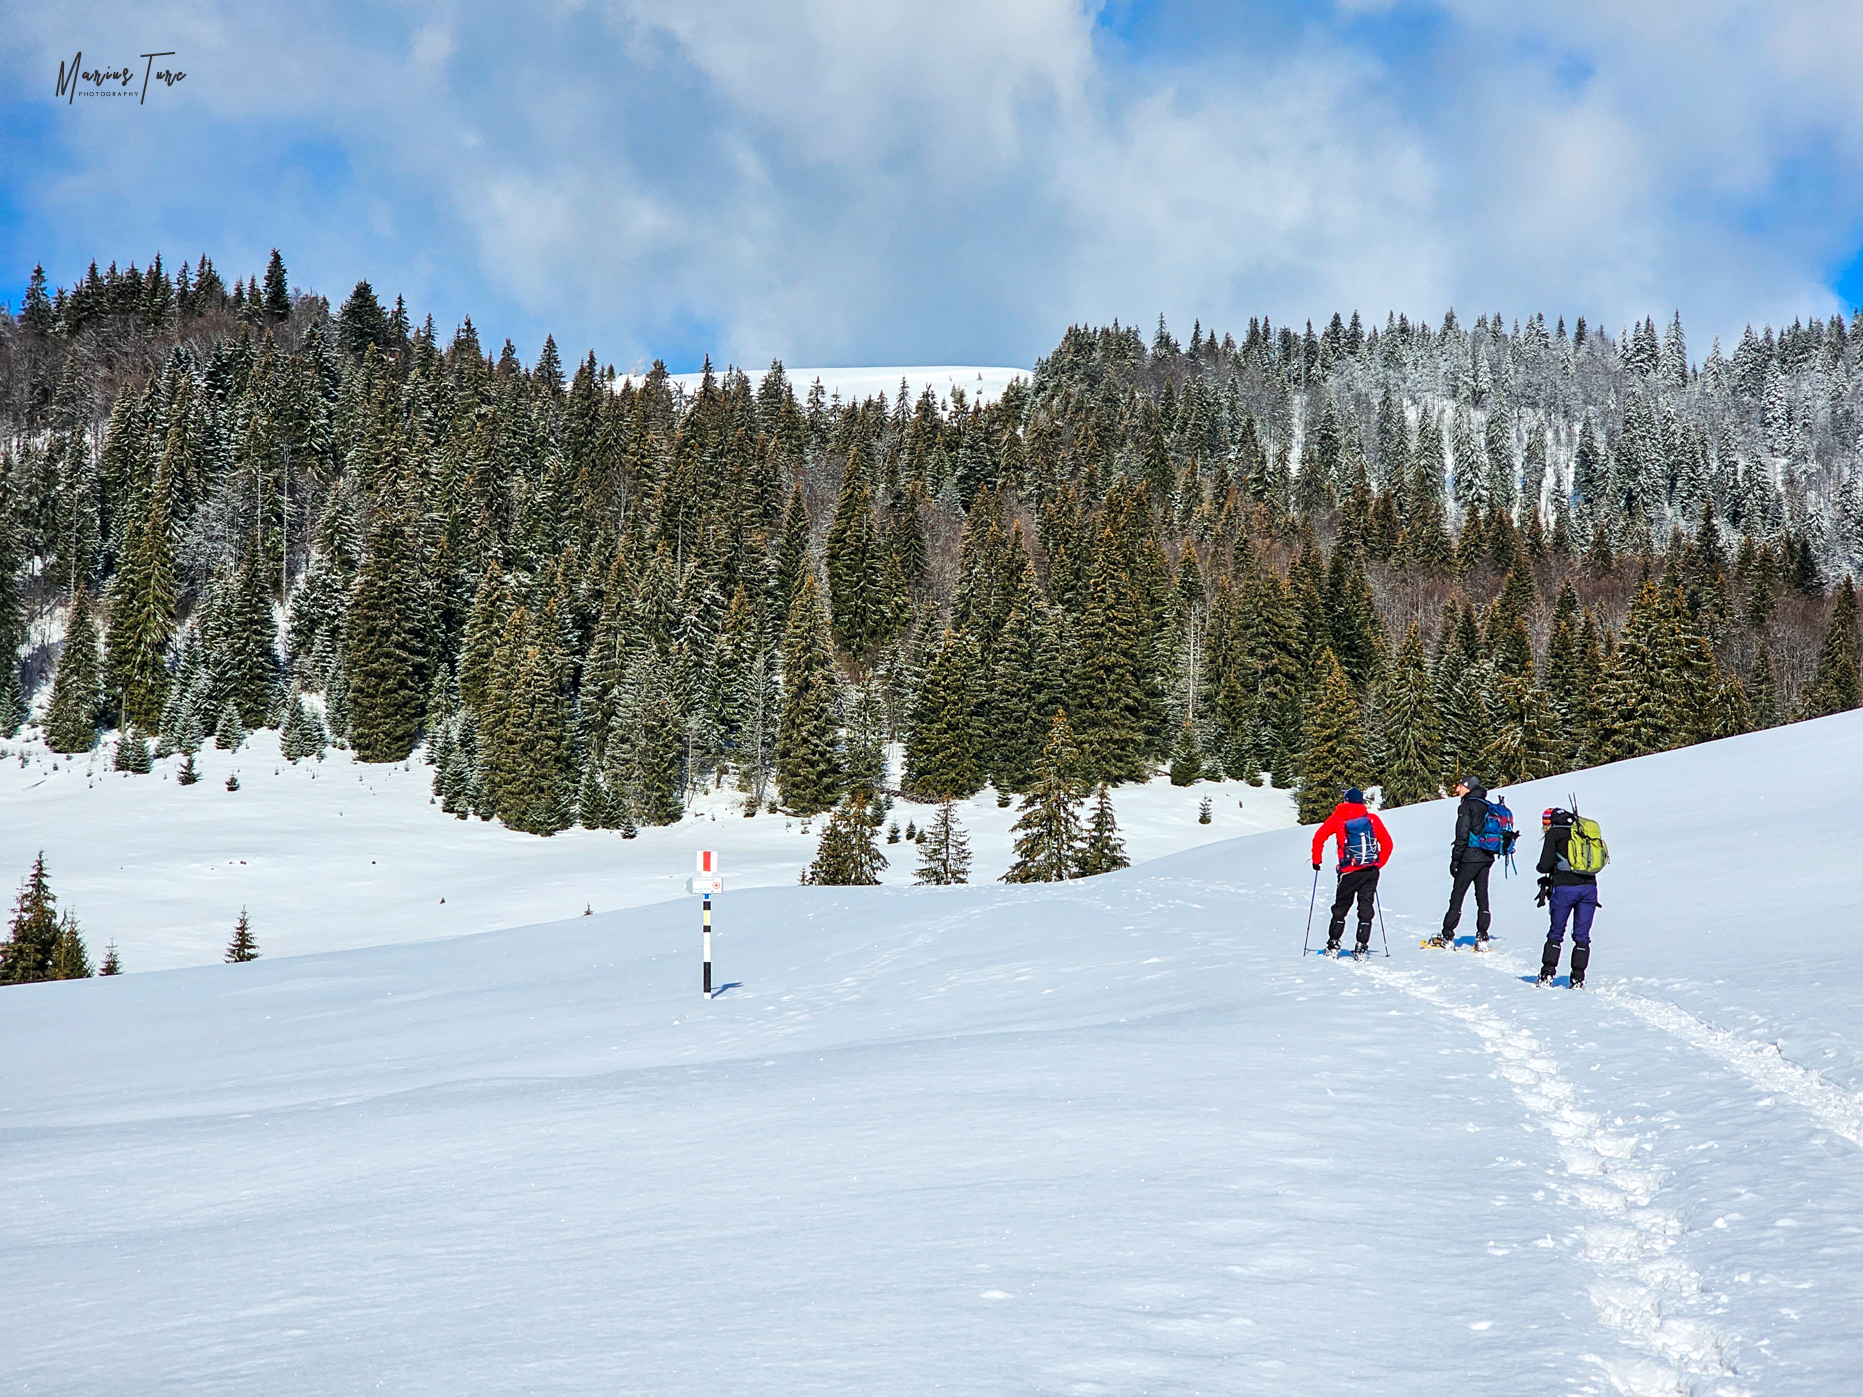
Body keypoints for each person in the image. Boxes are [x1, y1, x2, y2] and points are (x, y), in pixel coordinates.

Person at [1309, 786, 1394, 958]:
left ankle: (1333, 945)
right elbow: (1388, 844)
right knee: (1365, 907)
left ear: (1346, 800)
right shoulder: (1372, 819)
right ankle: (1362, 946)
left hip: (1348, 871)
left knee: (1340, 908)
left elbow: (1319, 837)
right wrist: (1378, 864)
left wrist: (1317, 860)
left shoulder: (1337, 818)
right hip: (1370, 871)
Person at [1430, 775, 1496, 948]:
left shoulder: (1467, 806)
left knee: (1457, 895)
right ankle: (1482, 935)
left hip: (1469, 857)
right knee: (1482, 896)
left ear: (1468, 787)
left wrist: (1455, 859)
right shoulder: (1486, 805)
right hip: (1486, 857)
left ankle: (1447, 935)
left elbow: (1462, 835)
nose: (1457, 790)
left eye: (1459, 786)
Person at [1536, 807, 1598, 987]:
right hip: (1589, 887)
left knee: (1556, 932)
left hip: (1564, 888)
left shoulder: (1554, 834)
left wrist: (1543, 870)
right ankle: (1578, 978)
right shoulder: (1584, 832)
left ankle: (1547, 974)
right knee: (1582, 935)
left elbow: (1545, 865)